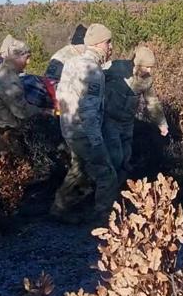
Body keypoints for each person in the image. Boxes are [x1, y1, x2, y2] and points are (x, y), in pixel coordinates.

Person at [51, 24, 114, 224]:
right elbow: (88, 109)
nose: (110, 47)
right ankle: (104, 220)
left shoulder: (71, 62)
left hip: (68, 127)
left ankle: (59, 208)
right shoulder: (93, 70)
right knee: (107, 174)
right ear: (98, 44)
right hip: (84, 131)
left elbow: (60, 94)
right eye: (108, 42)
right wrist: (96, 141)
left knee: (78, 168)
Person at [103, 46, 169, 183]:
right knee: (115, 155)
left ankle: (119, 188)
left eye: (151, 67)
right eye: (147, 67)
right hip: (109, 119)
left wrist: (162, 123)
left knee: (126, 156)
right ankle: (106, 187)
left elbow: (152, 102)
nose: (149, 71)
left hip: (127, 122)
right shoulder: (116, 67)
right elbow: (94, 76)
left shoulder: (147, 80)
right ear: (138, 63)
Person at [0, 35, 42, 149]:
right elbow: (21, 111)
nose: (28, 62)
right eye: (27, 57)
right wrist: (44, 112)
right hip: (4, 136)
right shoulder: (8, 78)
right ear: (17, 57)